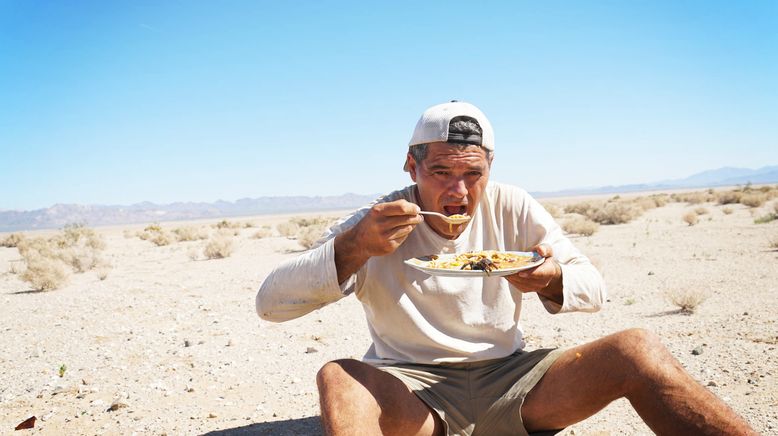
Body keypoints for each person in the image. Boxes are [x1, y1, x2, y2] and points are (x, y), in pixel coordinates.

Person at [256, 101, 756, 436]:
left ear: (490, 168)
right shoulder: (376, 222)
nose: (458, 193)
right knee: (339, 377)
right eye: (441, 173)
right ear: (411, 167)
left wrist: (551, 277)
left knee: (636, 350)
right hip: (414, 394)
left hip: (514, 383)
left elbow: (594, 287)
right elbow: (270, 304)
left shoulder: (513, 206)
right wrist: (352, 249)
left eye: (473, 174)